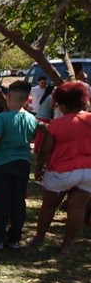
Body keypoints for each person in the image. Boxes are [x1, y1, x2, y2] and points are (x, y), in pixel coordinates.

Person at [30, 81, 91, 254]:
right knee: (78, 207)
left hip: (62, 171)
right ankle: (67, 245)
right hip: (89, 171)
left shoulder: (56, 125)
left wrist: (39, 168)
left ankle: (39, 238)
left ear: (62, 105)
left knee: (49, 205)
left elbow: (45, 151)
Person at [0, 81, 38, 250]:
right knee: (18, 201)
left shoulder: (1, 118)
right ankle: (15, 239)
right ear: (27, 100)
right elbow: (31, 138)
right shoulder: (31, 118)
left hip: (2, 164)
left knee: (2, 202)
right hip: (22, 163)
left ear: (9, 97)